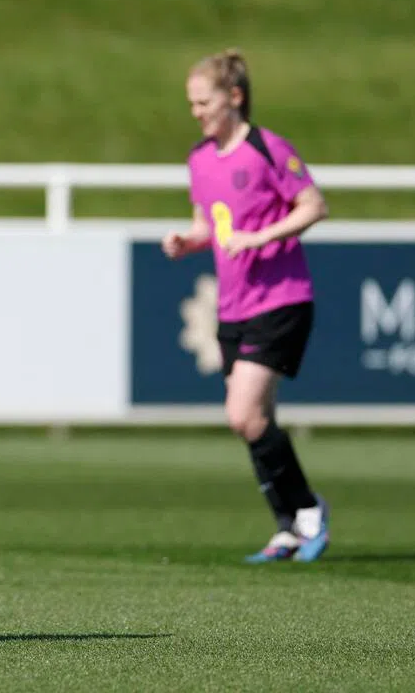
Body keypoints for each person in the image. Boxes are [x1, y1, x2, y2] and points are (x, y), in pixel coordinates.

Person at [162, 49, 332, 563]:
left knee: (242, 414)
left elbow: (314, 205)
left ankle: (308, 509)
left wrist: (261, 237)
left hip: (281, 299)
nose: (196, 112)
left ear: (234, 97)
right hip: (233, 307)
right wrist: (187, 242)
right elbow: (208, 225)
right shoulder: (199, 158)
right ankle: (288, 529)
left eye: (204, 102)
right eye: (192, 103)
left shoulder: (267, 149)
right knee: (255, 420)